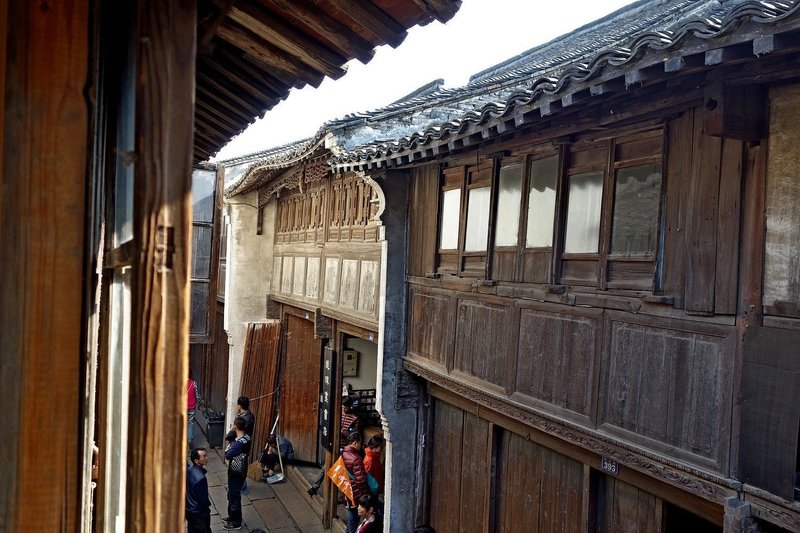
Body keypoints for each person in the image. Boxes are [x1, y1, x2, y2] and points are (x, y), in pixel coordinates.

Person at [307, 396, 362, 496]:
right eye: (343, 406)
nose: (344, 409)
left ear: (350, 406)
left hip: (345, 447)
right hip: (334, 444)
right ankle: (315, 486)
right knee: (327, 466)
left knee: (344, 471)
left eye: (346, 407)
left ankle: (343, 494)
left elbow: (354, 435)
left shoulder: (355, 418)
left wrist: (343, 433)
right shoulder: (339, 413)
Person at [223, 416, 251, 530]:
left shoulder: (238, 443)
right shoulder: (247, 437)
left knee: (234, 497)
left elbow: (228, 455)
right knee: (232, 495)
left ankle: (236, 522)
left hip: (236, 471)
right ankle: (231, 516)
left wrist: (229, 447)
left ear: (235, 426)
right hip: (242, 469)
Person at [341, 432, 368, 533]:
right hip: (355, 497)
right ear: (356, 443)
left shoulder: (343, 453)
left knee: (350, 525)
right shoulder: (356, 458)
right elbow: (361, 480)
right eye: (360, 443)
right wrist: (366, 496)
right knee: (352, 525)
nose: (360, 446)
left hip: (346, 492)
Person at [186, 448, 211, 533]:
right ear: (196, 460)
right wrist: (207, 511)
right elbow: (203, 500)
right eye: (204, 456)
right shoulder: (201, 478)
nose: (206, 458)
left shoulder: (189, 470)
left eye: (206, 455)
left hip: (189, 510)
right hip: (198, 513)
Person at [187, 370, 203, 447]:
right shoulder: (194, 383)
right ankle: (190, 440)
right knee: (190, 422)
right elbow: (197, 395)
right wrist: (199, 403)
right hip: (191, 406)